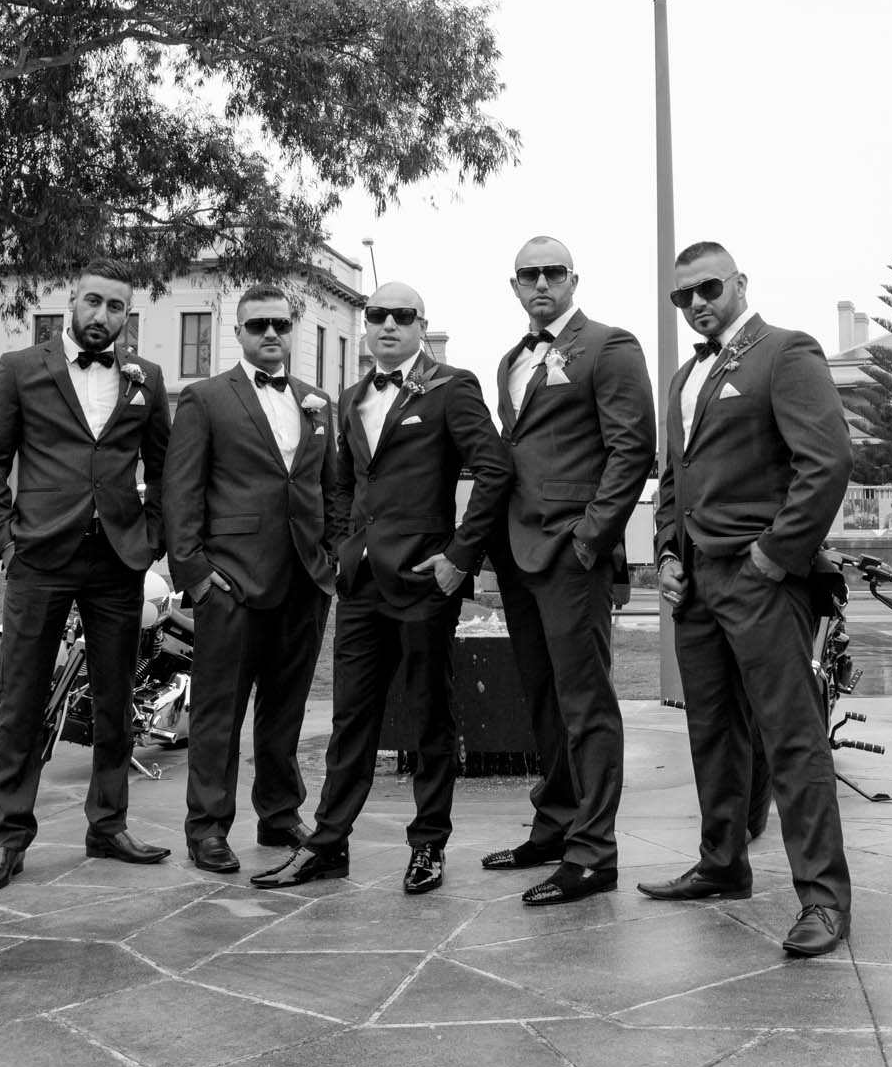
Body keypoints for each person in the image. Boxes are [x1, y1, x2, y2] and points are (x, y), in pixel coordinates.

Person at [252, 283, 512, 895]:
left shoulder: (452, 387)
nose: (388, 324)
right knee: (351, 719)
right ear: (366, 325)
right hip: (362, 584)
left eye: (402, 315)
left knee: (429, 716)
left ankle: (428, 846)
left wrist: (459, 557)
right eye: (377, 315)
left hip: (424, 579)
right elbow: (344, 482)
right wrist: (343, 547)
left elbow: (494, 469)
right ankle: (328, 844)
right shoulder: (350, 397)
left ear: (421, 325)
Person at [643, 241, 855, 958]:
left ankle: (823, 898)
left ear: (739, 282)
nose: (696, 303)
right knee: (712, 733)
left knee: (790, 736)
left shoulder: (786, 352)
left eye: (708, 288)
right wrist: (667, 553)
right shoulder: (683, 376)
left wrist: (775, 553)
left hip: (761, 578)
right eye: (683, 296)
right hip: (696, 584)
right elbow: (673, 478)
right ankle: (723, 863)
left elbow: (828, 461)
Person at [0, 259, 171, 893]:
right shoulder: (20, 369)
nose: (102, 315)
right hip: (39, 557)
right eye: (93, 301)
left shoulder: (146, 378)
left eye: (116, 306)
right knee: (21, 698)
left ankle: (108, 824)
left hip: (117, 560)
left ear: (127, 315)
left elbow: (165, 468)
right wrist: (4, 541)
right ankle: (8, 837)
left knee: (115, 700)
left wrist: (153, 537)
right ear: (71, 301)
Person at [484, 236, 656, 905]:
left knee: (586, 705)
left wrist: (590, 540)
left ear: (573, 279)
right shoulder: (509, 360)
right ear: (514, 286)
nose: (541, 282)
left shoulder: (609, 347)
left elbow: (631, 450)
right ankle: (555, 826)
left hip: (571, 554)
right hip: (518, 554)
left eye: (552, 271)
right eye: (528, 274)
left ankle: (593, 853)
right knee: (543, 700)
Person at [164, 285, 339, 875]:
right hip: (230, 583)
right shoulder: (206, 398)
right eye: (258, 324)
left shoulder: (318, 402)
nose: (270, 333)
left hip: (304, 582)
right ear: (237, 332)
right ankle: (208, 827)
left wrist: (331, 558)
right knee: (219, 712)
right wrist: (195, 574)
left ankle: (280, 813)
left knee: (285, 710)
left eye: (280, 325)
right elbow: (181, 490)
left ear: (292, 331)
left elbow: (330, 488)